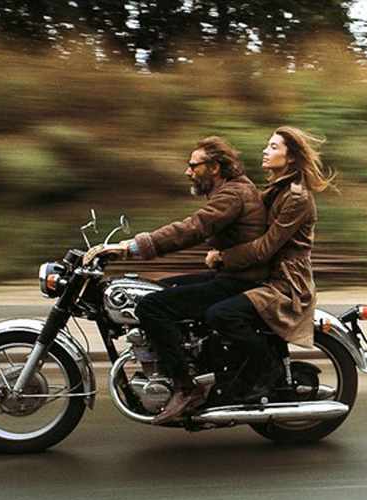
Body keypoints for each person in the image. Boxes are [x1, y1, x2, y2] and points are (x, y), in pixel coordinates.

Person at [83, 136, 270, 423]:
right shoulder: (232, 190)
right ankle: (186, 358)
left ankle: (185, 388)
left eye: (194, 166)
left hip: (239, 281)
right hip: (232, 274)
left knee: (151, 306)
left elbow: (193, 228)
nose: (187, 171)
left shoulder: (232, 195)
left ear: (215, 167)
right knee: (157, 290)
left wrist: (131, 248)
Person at [204, 126, 337, 402]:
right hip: (267, 274)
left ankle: (266, 367)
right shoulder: (276, 191)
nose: (265, 151)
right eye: (267, 145)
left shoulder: (296, 198)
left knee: (221, 314)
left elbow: (265, 247)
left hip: (286, 283)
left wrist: (224, 258)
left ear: (291, 157)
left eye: (274, 147)